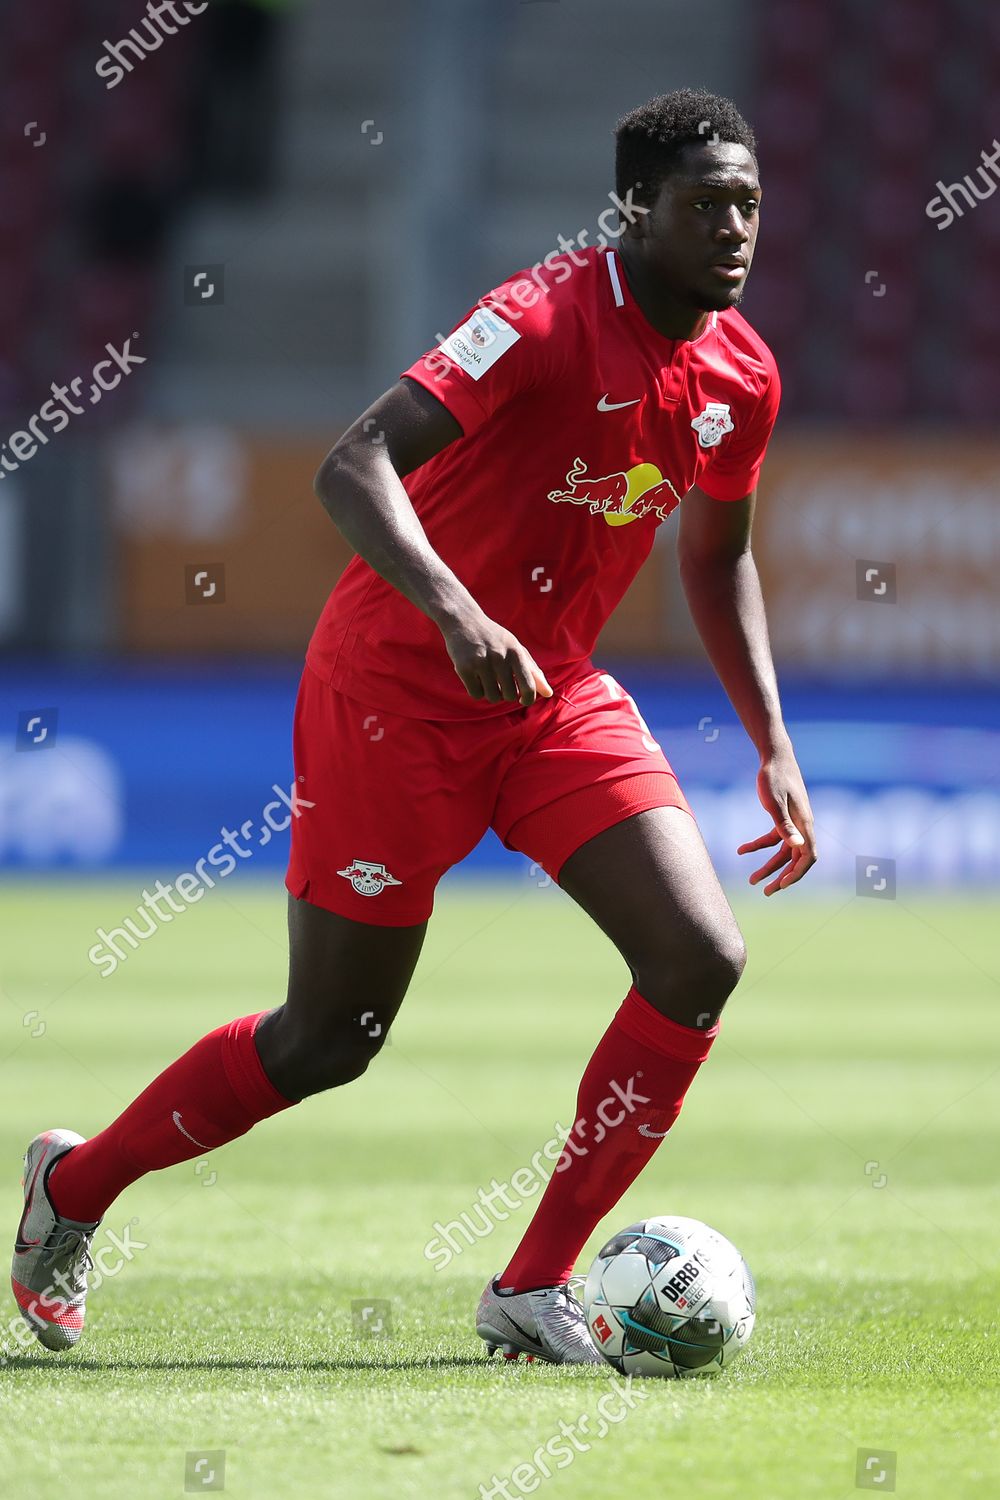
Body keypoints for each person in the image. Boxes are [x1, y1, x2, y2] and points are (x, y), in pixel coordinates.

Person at [11, 88, 816, 1363]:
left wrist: (769, 738)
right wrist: (454, 613)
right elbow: (354, 461)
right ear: (634, 210)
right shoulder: (542, 314)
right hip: (395, 689)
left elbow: (717, 561)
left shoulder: (740, 374)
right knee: (330, 1041)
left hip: (550, 695)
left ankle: (530, 1284)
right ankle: (76, 1188)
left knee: (698, 958)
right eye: (705, 204)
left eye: (749, 205)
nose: (734, 229)